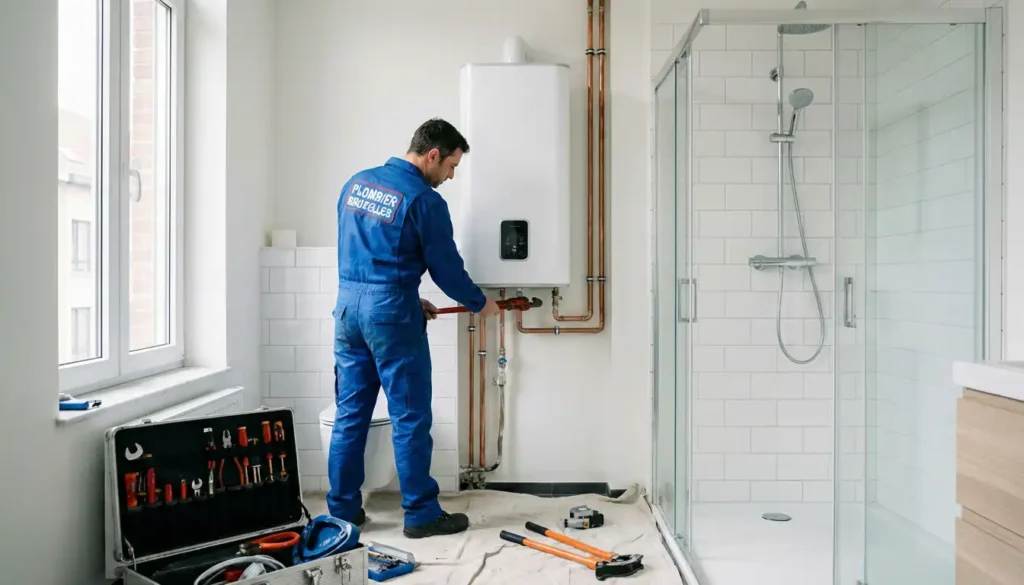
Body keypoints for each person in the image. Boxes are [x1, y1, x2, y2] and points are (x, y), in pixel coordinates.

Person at [326, 118, 501, 539]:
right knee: (409, 417)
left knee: (350, 415)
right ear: (433, 155)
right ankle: (421, 513)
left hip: (349, 310)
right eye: (451, 167)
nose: (451, 176)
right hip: (390, 317)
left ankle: (342, 513)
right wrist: (481, 304)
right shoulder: (425, 200)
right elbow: (446, 269)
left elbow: (364, 255)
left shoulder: (355, 184)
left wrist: (404, 294)